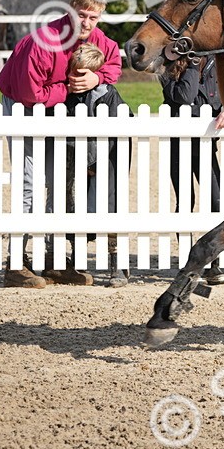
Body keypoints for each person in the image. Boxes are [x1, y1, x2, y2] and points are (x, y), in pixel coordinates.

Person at [0, 0, 122, 288]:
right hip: (23, 107)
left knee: (61, 183)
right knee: (29, 183)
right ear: (70, 10)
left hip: (57, 110)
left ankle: (53, 260)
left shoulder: (99, 39)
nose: (87, 23)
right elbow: (31, 95)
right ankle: (15, 264)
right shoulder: (44, 41)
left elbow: (114, 62)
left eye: (94, 17)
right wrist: (66, 89)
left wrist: (98, 77)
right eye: (82, 15)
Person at [58, 44, 132, 287]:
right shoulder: (65, 95)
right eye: (74, 72)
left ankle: (118, 264)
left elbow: (119, 133)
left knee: (110, 207)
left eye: (82, 74)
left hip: (107, 159)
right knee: (74, 206)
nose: (76, 79)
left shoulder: (108, 95)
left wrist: (98, 164)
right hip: (75, 157)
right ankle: (77, 260)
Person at [160, 56, 224, 286]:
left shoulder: (217, 62)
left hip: (205, 145)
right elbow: (185, 97)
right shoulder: (168, 66)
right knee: (186, 201)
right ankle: (188, 264)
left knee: (216, 200)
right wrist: (192, 65)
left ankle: (213, 263)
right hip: (179, 144)